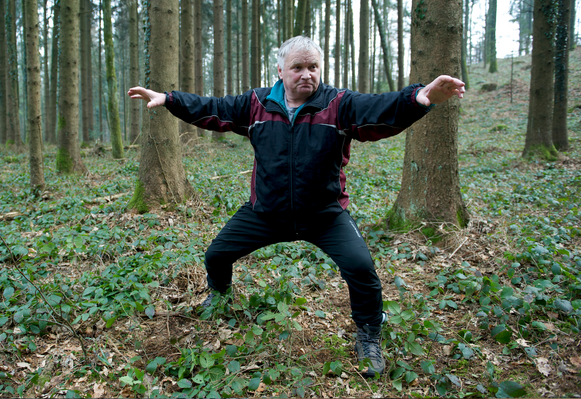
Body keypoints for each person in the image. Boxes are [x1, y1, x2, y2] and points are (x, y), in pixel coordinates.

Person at [128, 36, 466, 378]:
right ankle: (219, 296)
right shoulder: (256, 104)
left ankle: (369, 334)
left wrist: (419, 98)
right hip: (266, 214)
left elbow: (378, 109)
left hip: (324, 216)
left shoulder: (338, 104)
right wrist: (169, 100)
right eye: (298, 67)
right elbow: (213, 109)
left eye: (313, 67)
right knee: (216, 255)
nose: (307, 74)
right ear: (280, 70)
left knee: (362, 269)